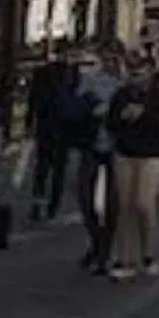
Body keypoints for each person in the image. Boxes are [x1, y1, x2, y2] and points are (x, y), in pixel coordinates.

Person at [107, 53, 159, 281]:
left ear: (150, 72)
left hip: (151, 152)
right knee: (125, 204)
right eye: (133, 72)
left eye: (141, 72)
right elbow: (111, 123)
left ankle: (148, 253)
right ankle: (124, 257)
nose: (136, 77)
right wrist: (121, 117)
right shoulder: (121, 94)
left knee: (143, 203)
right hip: (125, 150)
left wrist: (144, 114)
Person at [69, 46, 121, 274]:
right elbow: (69, 113)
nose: (84, 69)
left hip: (113, 147)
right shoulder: (76, 87)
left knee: (111, 201)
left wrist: (110, 112)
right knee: (84, 194)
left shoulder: (114, 84)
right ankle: (97, 241)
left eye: (90, 64)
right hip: (89, 145)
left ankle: (104, 250)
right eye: (81, 64)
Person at [26, 39, 78, 223]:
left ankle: (38, 205)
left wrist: (30, 122)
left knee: (43, 167)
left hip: (46, 125)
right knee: (58, 169)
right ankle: (51, 207)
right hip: (62, 126)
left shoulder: (43, 72)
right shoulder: (72, 74)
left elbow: (33, 100)